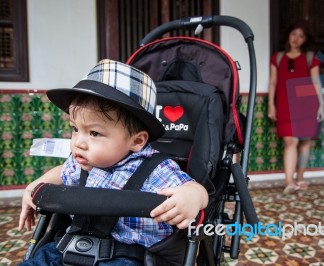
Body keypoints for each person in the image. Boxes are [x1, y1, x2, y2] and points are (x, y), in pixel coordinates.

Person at [18, 59, 208, 265]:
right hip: (71, 245)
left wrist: (192, 196)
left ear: (137, 141)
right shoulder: (80, 164)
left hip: (129, 254)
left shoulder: (155, 169)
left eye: (94, 133)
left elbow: (193, 187)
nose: (78, 143)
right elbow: (61, 171)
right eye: (75, 129)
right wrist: (33, 188)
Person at [268, 20, 324, 194]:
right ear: (288, 35)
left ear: (304, 39)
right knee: (290, 141)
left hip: (308, 104)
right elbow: (273, 83)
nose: (296, 38)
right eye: (294, 34)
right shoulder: (277, 58)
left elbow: (316, 82)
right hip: (285, 105)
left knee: (305, 142)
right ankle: (288, 181)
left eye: (301, 36)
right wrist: (271, 104)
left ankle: (300, 177)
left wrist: (321, 104)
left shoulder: (310, 58)